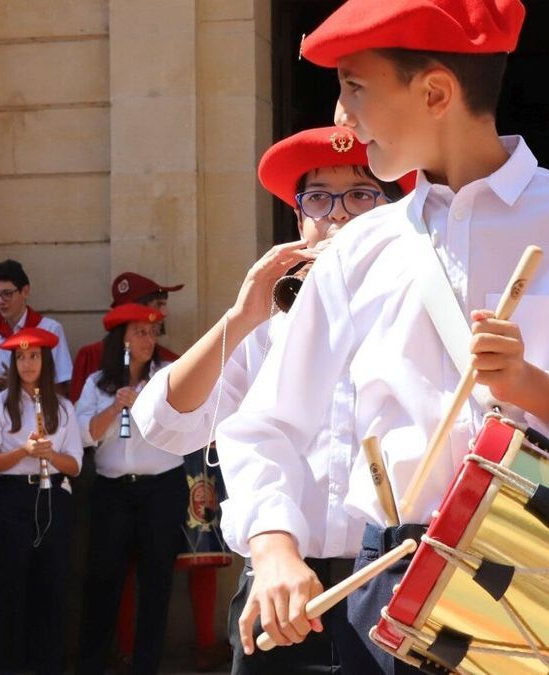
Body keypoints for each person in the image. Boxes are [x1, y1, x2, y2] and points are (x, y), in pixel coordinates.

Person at [215, 1, 549, 672]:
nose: (342, 114)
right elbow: (264, 423)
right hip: (398, 584)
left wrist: (535, 387)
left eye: (355, 87)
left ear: (434, 93)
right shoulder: (356, 251)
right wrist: (275, 544)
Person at [133, 125, 408, 674]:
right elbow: (164, 425)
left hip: (397, 577)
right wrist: (241, 319)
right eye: (319, 199)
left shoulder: (417, 307)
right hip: (281, 581)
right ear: (298, 220)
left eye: (361, 194)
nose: (339, 214)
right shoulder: (271, 324)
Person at [75, 304, 184, 675]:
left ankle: (146, 667)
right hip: (112, 491)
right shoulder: (96, 384)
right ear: (121, 339)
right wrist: (115, 407)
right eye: (140, 332)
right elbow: (82, 435)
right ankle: (92, 664)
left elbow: (183, 426)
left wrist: (144, 406)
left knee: (156, 582)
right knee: (103, 578)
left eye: (153, 333)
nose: (149, 340)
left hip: (161, 489)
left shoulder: (167, 376)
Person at [0, 327, 82, 674]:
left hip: (52, 497)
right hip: (11, 498)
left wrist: (49, 454)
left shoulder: (63, 408)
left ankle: (48, 663)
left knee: (52, 583)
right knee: (10, 584)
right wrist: (23, 451)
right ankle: (8, 664)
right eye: (21, 356)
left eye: (34, 356)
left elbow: (76, 465)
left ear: (45, 361)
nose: (27, 363)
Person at [69, 273, 182, 403]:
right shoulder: (89, 356)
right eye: (158, 304)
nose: (165, 313)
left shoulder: (168, 364)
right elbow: (78, 416)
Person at [0, 260, 73, 394]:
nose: (0, 301)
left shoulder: (50, 329)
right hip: (4, 410)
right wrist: (1, 385)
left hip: (43, 408)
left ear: (25, 291)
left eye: (7, 293)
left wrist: (19, 382)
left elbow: (62, 385)